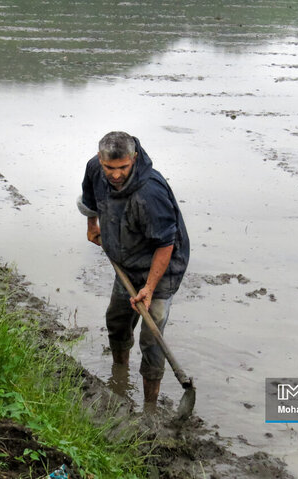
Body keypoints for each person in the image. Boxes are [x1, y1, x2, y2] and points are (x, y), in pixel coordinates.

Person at [77, 131, 189, 405]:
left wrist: (149, 288)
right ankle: (121, 378)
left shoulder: (150, 192)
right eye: (109, 168)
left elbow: (166, 245)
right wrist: (93, 226)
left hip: (161, 268)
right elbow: (90, 200)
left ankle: (150, 406)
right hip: (126, 260)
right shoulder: (95, 167)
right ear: (101, 160)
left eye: (123, 168)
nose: (115, 175)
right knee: (117, 321)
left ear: (134, 158)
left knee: (151, 339)